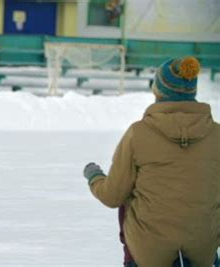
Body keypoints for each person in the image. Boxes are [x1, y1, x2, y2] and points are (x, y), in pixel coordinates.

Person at [82, 56, 219, 267]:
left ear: (159, 91)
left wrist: (94, 176)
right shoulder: (216, 134)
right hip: (204, 251)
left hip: (149, 254)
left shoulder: (139, 133)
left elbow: (112, 196)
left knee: (127, 197)